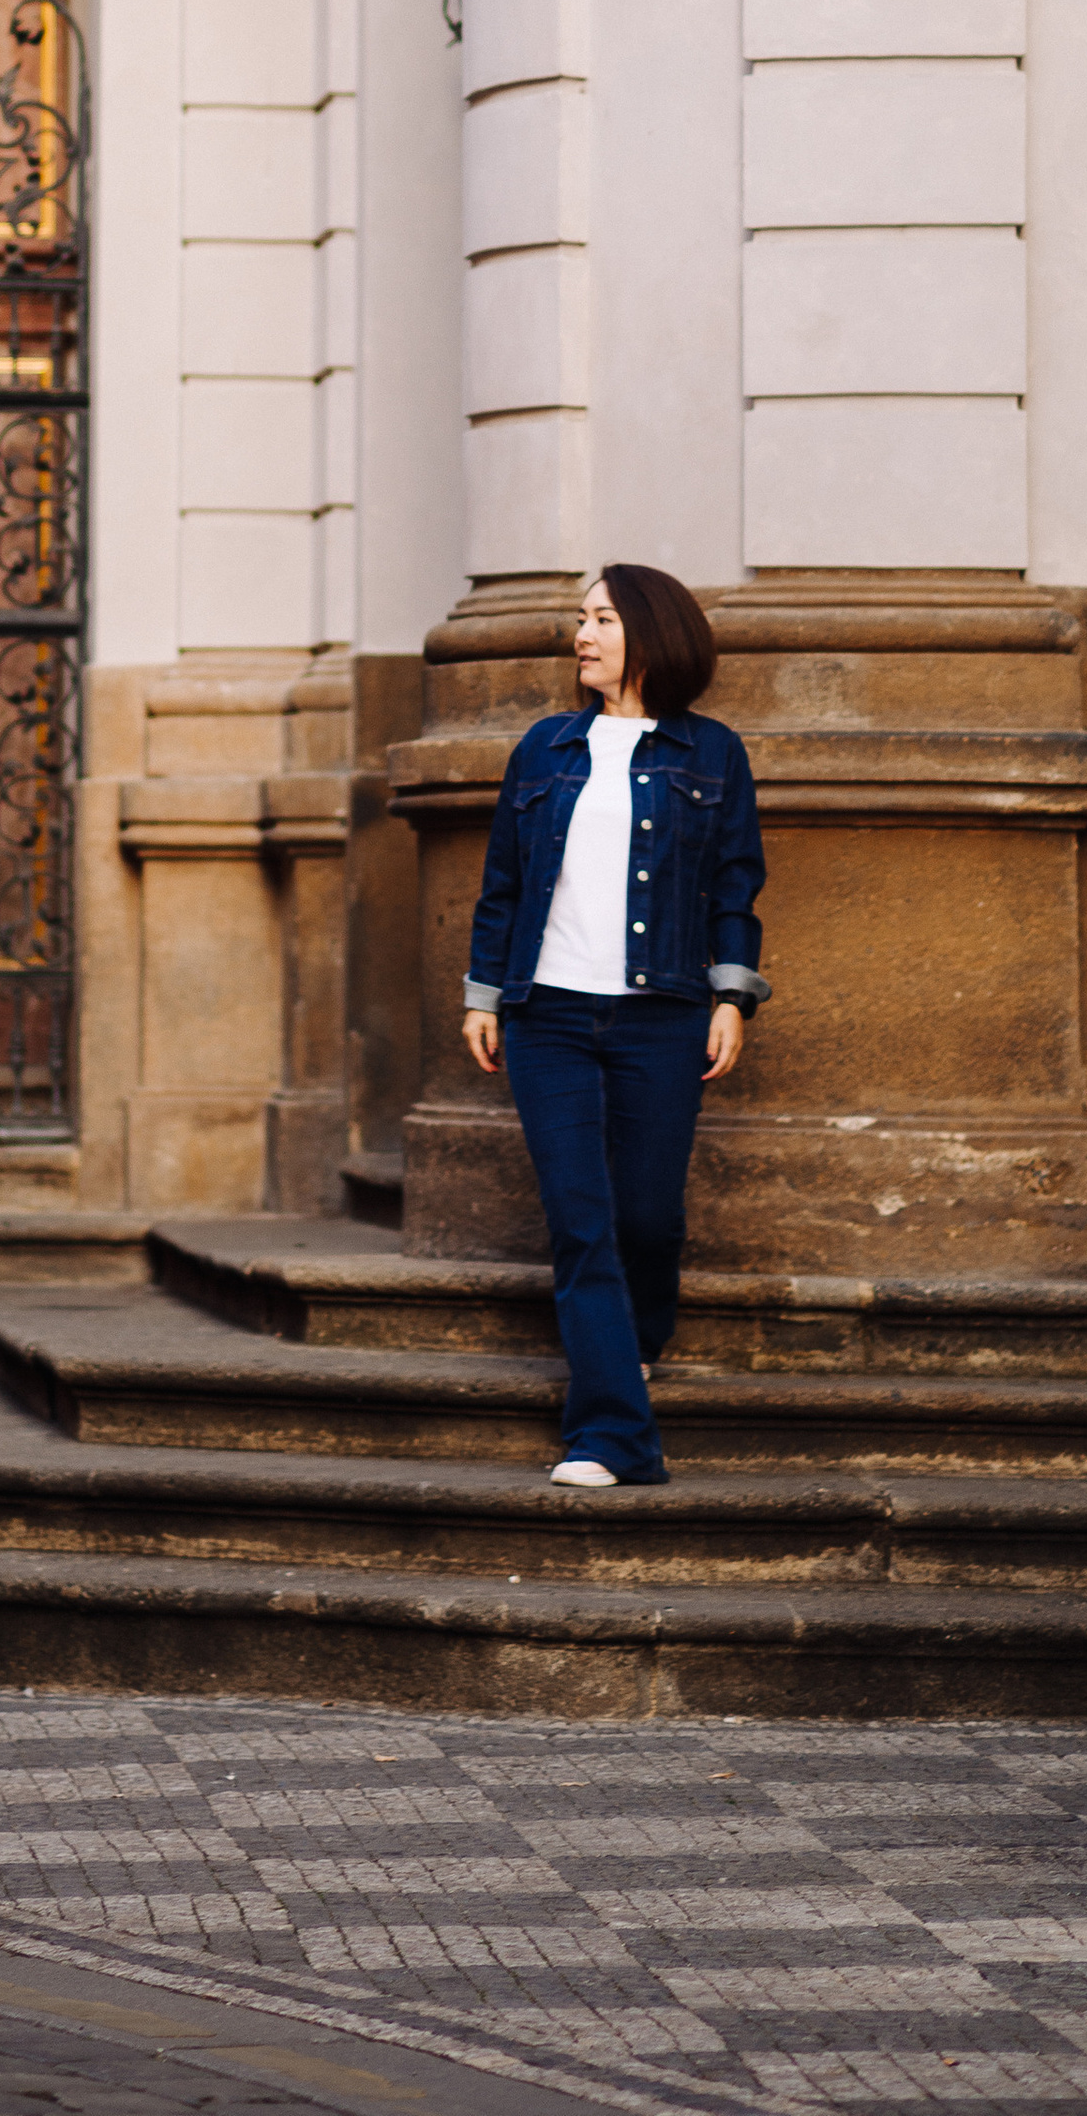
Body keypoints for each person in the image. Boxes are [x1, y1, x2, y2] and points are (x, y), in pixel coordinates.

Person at [461, 564, 768, 1489]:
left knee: (646, 1217)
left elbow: (734, 885)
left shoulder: (712, 753)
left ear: (650, 631)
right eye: (580, 618)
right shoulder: (544, 749)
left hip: (661, 1014)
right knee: (581, 1220)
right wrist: (483, 994)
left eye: (600, 618)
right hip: (547, 1013)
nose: (581, 634)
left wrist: (730, 996)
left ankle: (635, 1340)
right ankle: (609, 1435)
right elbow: (503, 882)